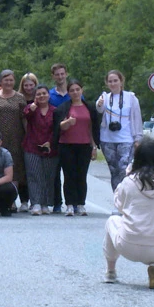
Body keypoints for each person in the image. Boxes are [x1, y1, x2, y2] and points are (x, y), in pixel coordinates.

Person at [102, 138, 154, 289]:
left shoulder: (130, 181)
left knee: (112, 220)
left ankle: (110, 271)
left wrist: (126, 177)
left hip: (129, 246)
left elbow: (119, 205)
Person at [55, 79, 100, 216]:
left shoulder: (90, 107)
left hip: (84, 145)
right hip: (67, 145)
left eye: (77, 89)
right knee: (69, 175)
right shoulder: (64, 107)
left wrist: (94, 146)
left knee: (81, 175)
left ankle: (80, 204)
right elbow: (59, 127)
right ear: (68, 93)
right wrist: (67, 122)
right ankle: (69, 204)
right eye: (72, 90)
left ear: (82, 90)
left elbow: (92, 128)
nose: (75, 92)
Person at [96, 70, 144, 197]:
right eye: (110, 81)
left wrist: (138, 138)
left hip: (126, 139)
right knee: (114, 171)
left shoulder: (131, 98)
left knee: (124, 170)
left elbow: (137, 118)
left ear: (121, 81)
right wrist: (99, 104)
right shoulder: (105, 97)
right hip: (108, 139)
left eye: (115, 80)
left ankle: (126, 199)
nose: (113, 84)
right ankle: (117, 200)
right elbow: (99, 110)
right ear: (107, 83)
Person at [0, 69, 28, 212]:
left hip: (16, 138)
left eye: (11, 80)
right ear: (0, 81)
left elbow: (24, 118)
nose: (8, 82)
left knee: (15, 170)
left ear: (14, 81)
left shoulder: (20, 97)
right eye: (6, 80)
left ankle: (12, 200)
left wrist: (27, 135)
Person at [23, 85, 59, 215]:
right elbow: (26, 115)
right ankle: (36, 203)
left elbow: (57, 129)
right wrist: (31, 109)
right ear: (35, 97)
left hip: (50, 148)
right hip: (32, 146)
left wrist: (50, 142)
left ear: (49, 95)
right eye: (38, 94)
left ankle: (45, 203)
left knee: (48, 176)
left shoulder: (55, 111)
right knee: (34, 175)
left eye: (44, 93)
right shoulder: (31, 109)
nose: (41, 96)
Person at [48, 63, 79, 213]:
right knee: (54, 173)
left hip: (73, 139)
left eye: (62, 73)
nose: (60, 77)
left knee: (71, 173)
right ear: (53, 76)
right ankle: (57, 203)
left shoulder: (74, 92)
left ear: (66, 74)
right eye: (57, 74)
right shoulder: (50, 95)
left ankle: (73, 202)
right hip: (55, 138)